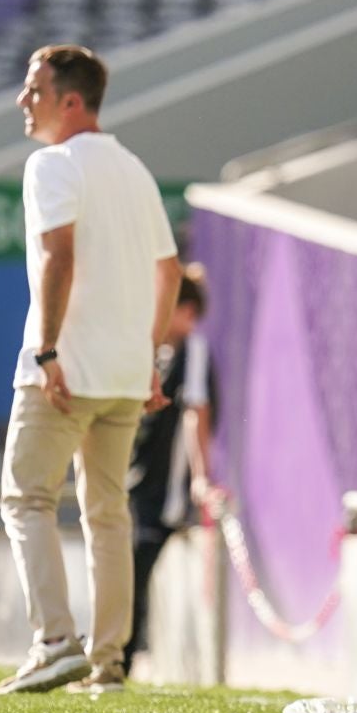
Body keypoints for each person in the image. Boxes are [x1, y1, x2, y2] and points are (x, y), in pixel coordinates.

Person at [0, 44, 182, 696]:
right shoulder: (133, 170)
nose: (24, 100)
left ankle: (53, 641)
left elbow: (57, 256)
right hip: (125, 375)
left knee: (27, 497)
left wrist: (46, 350)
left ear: (70, 100)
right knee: (108, 513)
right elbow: (170, 271)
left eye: (34, 88)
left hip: (68, 369)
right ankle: (107, 665)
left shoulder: (52, 164)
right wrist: (150, 356)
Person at [122, 263, 221, 678]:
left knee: (135, 569)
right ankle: (117, 655)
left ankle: (120, 659)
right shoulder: (159, 355)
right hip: (139, 484)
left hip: (166, 493)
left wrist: (200, 476)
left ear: (185, 313)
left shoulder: (193, 351)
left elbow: (196, 413)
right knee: (127, 569)